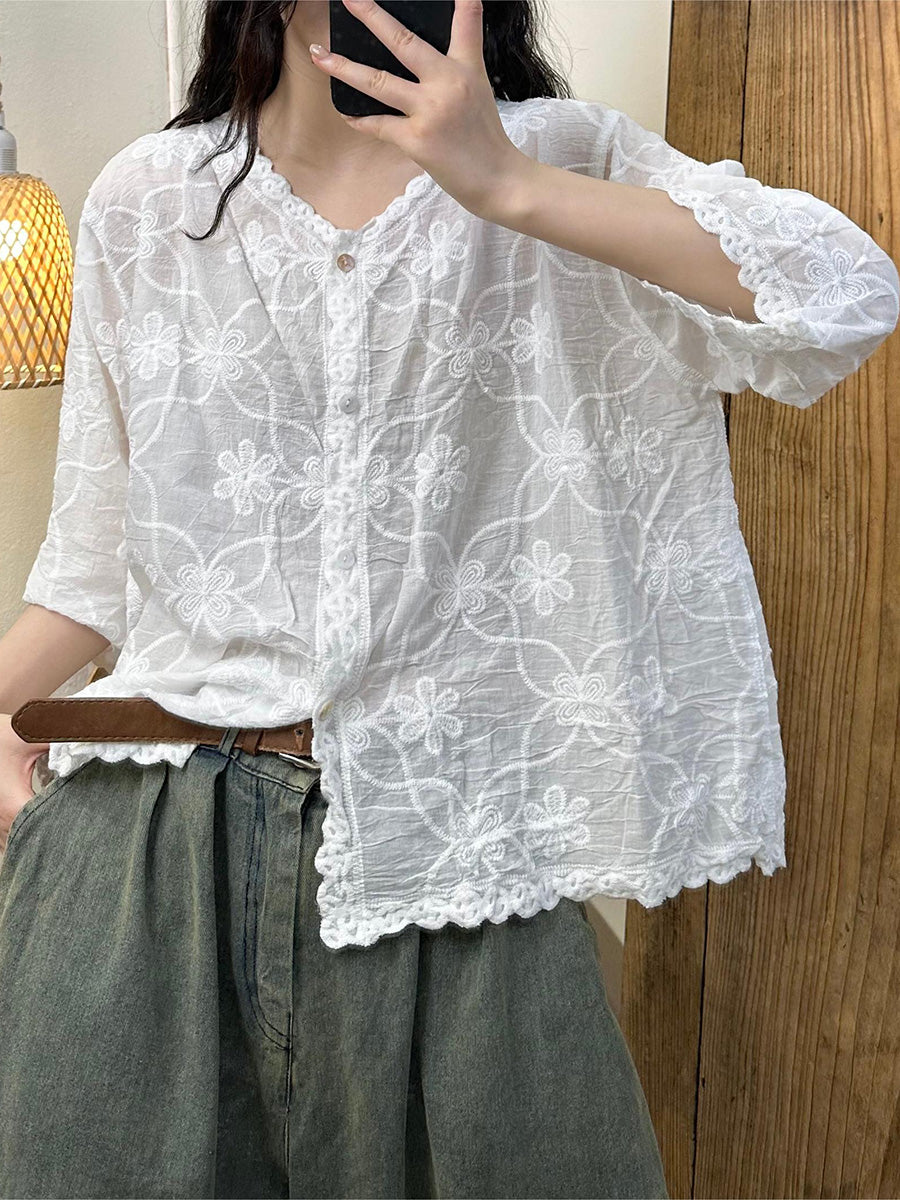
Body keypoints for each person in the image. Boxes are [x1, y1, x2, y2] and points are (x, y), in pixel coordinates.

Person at [0, 0, 897, 1196]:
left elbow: (842, 296)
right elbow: (92, 563)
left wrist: (507, 185)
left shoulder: (561, 160)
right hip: (147, 857)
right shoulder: (148, 199)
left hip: (465, 861)